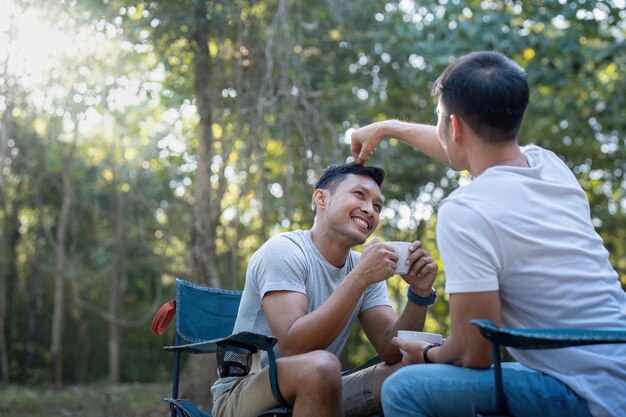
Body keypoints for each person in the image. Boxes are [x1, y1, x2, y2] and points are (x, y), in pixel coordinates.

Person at [351, 51, 626, 417]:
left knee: (403, 388)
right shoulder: (549, 166)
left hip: (589, 394)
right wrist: (388, 128)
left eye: (440, 121)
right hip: (615, 368)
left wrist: (430, 353)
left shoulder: (466, 211)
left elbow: (474, 354)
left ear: (456, 126)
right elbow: (464, 151)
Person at [211, 163, 439, 417]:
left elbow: (392, 350)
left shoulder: (364, 268)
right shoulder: (284, 251)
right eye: (359, 195)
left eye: (377, 206)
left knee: (413, 372)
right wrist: (360, 277)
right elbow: (294, 346)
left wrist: (419, 294)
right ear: (321, 198)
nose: (369, 210)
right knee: (322, 366)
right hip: (243, 394)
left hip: (321, 382)